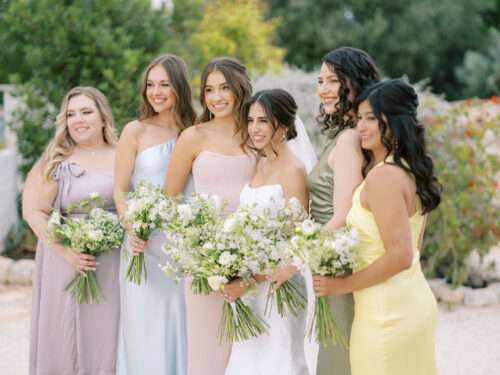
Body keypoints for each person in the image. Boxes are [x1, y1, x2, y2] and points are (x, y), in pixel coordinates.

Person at [313, 79, 441, 375]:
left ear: (395, 119)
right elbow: (415, 243)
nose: (361, 126)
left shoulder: (383, 178)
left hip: (387, 313)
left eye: (371, 117)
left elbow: (400, 255)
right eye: (359, 118)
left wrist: (341, 285)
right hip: (409, 300)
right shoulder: (409, 168)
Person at [164, 57, 255, 375]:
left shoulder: (257, 133)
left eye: (224, 88)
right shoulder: (193, 137)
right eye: (209, 90)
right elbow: (170, 199)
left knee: (252, 347)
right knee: (207, 346)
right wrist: (197, 244)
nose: (216, 97)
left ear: (240, 89)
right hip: (203, 258)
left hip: (254, 255)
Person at [24, 86, 120, 375]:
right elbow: (33, 211)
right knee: (66, 338)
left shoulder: (124, 155)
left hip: (112, 265)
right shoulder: (57, 159)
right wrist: (67, 252)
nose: (78, 119)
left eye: (86, 112)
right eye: (71, 114)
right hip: (64, 262)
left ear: (103, 117)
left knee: (109, 336)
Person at [113, 54, 196, 375]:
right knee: (143, 324)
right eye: (150, 84)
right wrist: (131, 226)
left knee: (182, 318)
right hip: (141, 243)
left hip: (181, 244)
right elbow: (120, 188)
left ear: (179, 87)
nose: (156, 92)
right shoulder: (135, 130)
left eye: (164, 84)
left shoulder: (195, 129)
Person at [224, 89, 310, 375]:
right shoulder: (261, 163)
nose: (254, 128)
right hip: (250, 290)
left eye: (263, 121)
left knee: (281, 362)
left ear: (283, 127)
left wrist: (248, 279)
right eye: (251, 120)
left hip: (278, 288)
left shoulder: (293, 170)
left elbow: (296, 242)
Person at [307, 46, 380, 375]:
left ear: (353, 82)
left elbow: (343, 215)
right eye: (319, 81)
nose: (322, 88)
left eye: (332, 81)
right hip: (329, 260)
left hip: (338, 263)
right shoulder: (344, 135)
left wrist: (301, 251)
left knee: (338, 357)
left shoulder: (351, 139)